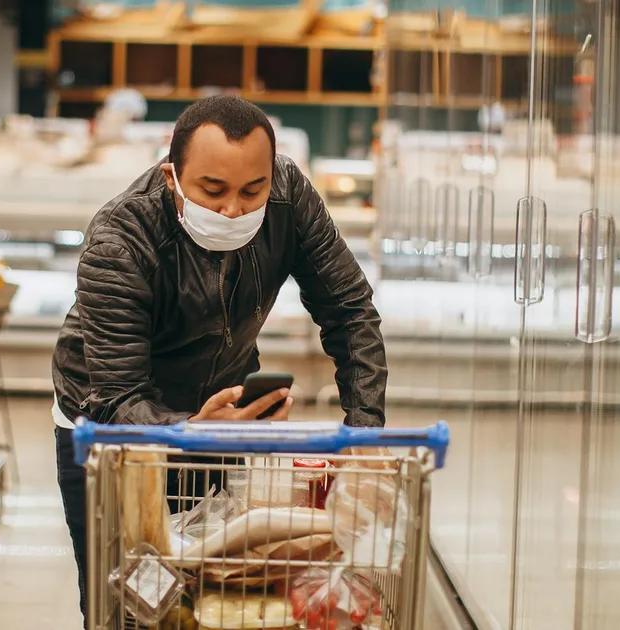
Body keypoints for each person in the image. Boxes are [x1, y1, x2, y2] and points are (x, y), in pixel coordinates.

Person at [51, 95, 388, 621]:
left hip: (220, 428)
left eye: (252, 191)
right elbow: (115, 396)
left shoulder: (290, 196)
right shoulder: (120, 237)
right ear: (171, 177)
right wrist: (188, 429)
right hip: (109, 435)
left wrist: (363, 435)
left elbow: (349, 310)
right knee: (127, 602)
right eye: (212, 191)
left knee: (207, 594)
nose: (233, 209)